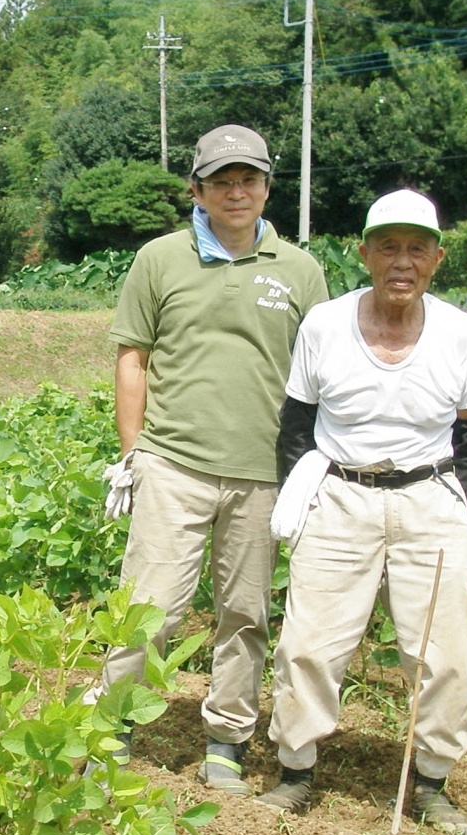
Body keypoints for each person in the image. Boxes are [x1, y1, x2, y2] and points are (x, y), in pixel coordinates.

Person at [85, 124, 328, 795]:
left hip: (263, 473)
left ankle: (227, 738)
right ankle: (111, 728)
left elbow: (321, 372)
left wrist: (312, 466)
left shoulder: (301, 270)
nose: (237, 191)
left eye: (249, 178)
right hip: (173, 463)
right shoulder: (159, 260)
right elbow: (133, 357)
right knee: (147, 608)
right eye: (222, 180)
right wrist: (132, 455)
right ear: (197, 189)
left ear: (268, 186)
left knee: (244, 613)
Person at [257, 188, 467, 835]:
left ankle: (433, 784)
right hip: (340, 494)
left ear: (437, 258)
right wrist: (305, 498)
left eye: (417, 248)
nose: (402, 261)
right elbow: (295, 428)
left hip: (431, 496)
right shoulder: (325, 326)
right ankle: (296, 771)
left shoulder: (459, 333)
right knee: (309, 643)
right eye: (387, 246)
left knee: (446, 655)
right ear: (363, 253)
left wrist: (451, 507)